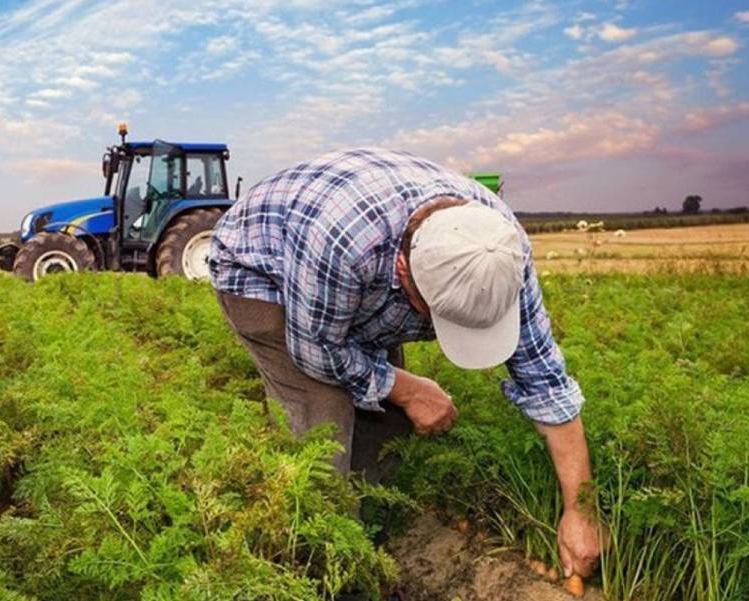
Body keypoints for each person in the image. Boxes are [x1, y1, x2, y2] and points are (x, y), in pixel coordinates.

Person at [208, 148, 602, 580]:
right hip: (265, 272)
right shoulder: (343, 244)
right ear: (404, 270)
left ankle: (375, 535)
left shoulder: (499, 250)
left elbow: (546, 382)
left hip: (352, 278)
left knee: (387, 420)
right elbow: (316, 351)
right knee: (324, 427)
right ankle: (320, 564)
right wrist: (410, 388)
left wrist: (580, 510)